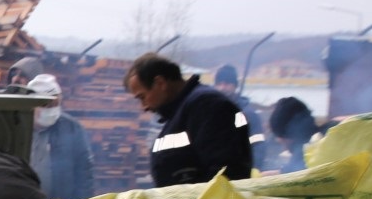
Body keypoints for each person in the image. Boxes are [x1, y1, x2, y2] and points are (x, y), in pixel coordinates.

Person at [126, 52, 253, 187]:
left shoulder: (206, 105)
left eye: (142, 97)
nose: (144, 107)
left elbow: (224, 174)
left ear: (160, 83)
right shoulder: (179, 114)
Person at [26, 74, 95, 199]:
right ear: (31, 105)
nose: (52, 110)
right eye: (46, 105)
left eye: (56, 104)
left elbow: (84, 169)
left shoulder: (71, 127)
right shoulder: (18, 127)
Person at [214, 63, 268, 171]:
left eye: (227, 83)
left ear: (235, 86)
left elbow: (258, 147)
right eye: (219, 84)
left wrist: (252, 171)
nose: (222, 87)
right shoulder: (208, 111)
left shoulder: (248, 114)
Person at [267, 96, 318, 173]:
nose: (278, 140)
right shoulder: (317, 140)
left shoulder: (306, 152)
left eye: (279, 136)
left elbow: (295, 172)